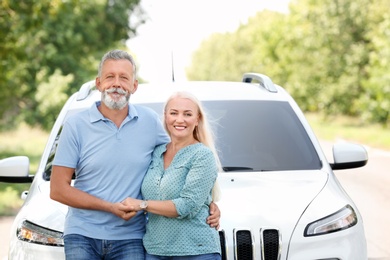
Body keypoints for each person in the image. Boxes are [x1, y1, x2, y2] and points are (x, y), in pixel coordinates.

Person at [50, 49, 220, 260]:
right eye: (110, 76)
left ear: (134, 85)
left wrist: (207, 203)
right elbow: (57, 190)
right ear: (98, 83)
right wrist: (110, 207)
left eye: (124, 78)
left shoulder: (149, 121)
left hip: (131, 235)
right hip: (83, 234)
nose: (116, 84)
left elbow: (183, 158)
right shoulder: (76, 125)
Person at [122, 91, 222, 260]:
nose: (180, 120)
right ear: (165, 117)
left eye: (187, 114)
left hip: (196, 252)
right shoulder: (156, 152)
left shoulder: (202, 155)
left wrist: (142, 205)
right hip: (154, 250)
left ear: (197, 119)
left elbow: (187, 205)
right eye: (174, 113)